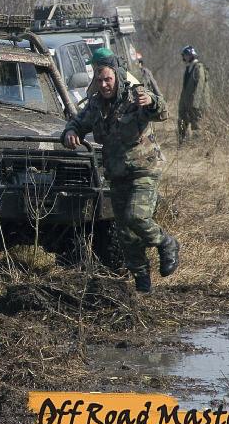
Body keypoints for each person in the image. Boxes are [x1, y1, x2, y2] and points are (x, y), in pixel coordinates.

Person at [62, 62, 180, 293]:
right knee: (125, 232)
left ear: (117, 78)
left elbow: (162, 112)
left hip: (143, 169)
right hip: (116, 173)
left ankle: (166, 242)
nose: (104, 85)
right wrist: (71, 132)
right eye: (99, 81)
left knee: (136, 216)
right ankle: (142, 281)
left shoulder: (134, 97)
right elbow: (78, 122)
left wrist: (151, 101)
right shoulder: (95, 104)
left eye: (108, 79)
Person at [178, 45, 211, 145]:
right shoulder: (189, 68)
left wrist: (195, 103)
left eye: (187, 55)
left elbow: (200, 86)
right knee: (182, 120)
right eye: (184, 55)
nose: (185, 57)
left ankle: (198, 146)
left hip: (198, 104)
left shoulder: (198, 67)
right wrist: (183, 103)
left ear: (191, 55)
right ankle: (182, 143)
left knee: (197, 125)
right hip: (187, 102)